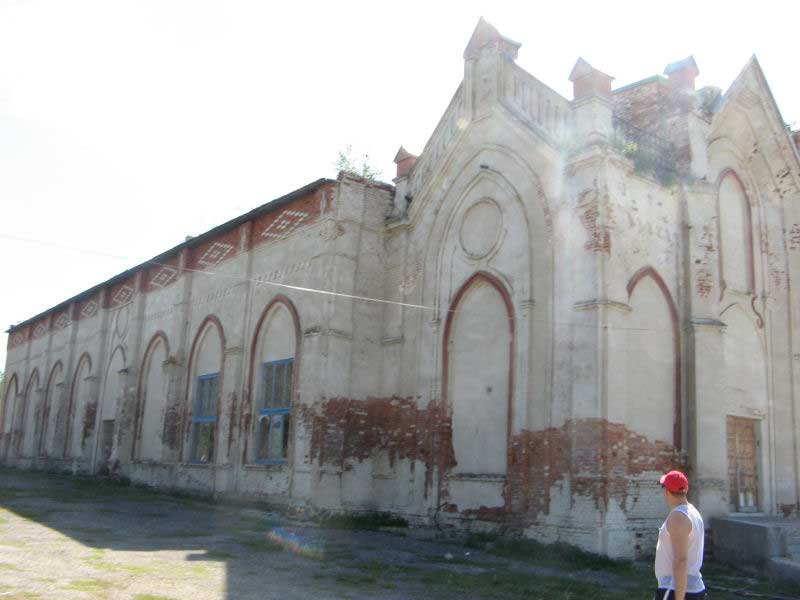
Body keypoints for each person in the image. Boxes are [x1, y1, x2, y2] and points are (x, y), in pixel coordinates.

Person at [654, 470, 707, 600]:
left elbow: (681, 561)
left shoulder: (678, 517)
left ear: (666, 492)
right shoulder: (693, 512)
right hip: (691, 589)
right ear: (686, 489)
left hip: (675, 590)